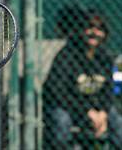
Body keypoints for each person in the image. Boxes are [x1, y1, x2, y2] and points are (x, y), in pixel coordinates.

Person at [42, 8, 114, 149]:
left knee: (117, 124)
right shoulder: (67, 54)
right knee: (61, 122)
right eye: (90, 27)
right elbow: (58, 92)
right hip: (64, 106)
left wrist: (103, 112)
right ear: (81, 30)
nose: (94, 32)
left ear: (105, 34)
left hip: (92, 109)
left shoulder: (105, 58)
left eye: (100, 29)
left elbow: (108, 91)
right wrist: (88, 111)